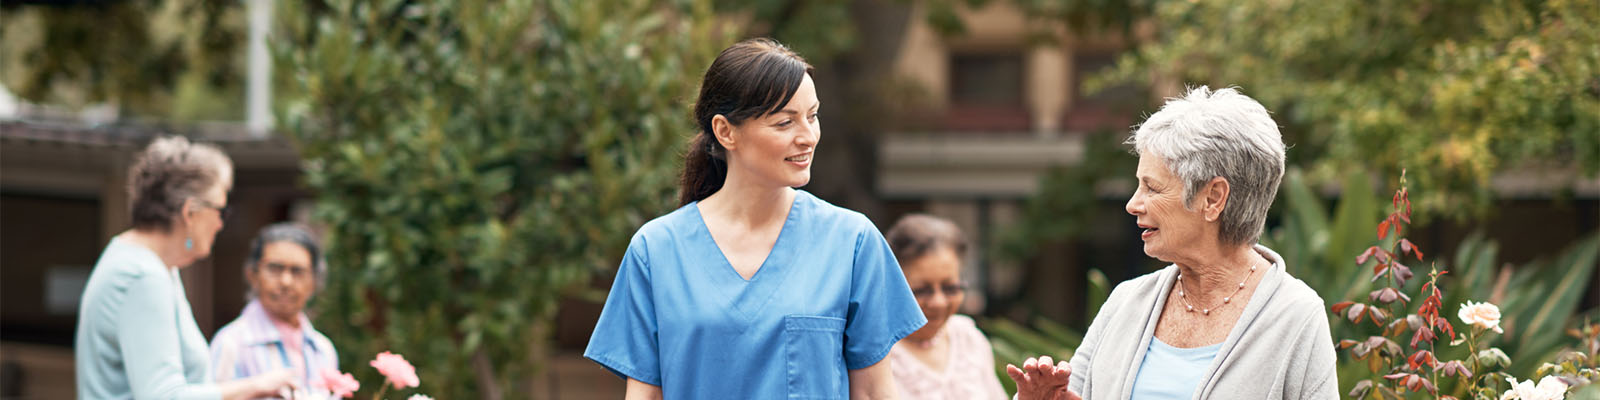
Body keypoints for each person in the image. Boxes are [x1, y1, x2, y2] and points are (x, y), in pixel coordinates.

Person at [584, 37, 926, 400]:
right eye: (784, 123)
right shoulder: (656, 250)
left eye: (812, 116)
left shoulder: (852, 242)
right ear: (725, 131)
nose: (808, 136)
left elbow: (873, 393)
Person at [1007, 86, 1338, 400]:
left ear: (1213, 198)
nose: (1133, 204)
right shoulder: (1126, 303)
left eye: (1152, 188)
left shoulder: (1295, 315)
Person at [76, 136, 296, 399]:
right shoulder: (142, 277)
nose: (220, 224)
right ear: (190, 213)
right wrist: (256, 386)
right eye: (220, 211)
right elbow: (164, 396)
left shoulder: (149, 265)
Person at [884, 214, 1008, 399]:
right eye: (921, 290)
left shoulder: (969, 339)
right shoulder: (875, 353)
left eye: (950, 288)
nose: (939, 302)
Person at [210, 223, 339, 390]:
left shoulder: (322, 350)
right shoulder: (231, 344)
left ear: (314, 282)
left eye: (297, 271)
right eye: (275, 269)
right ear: (252, 275)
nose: (286, 282)